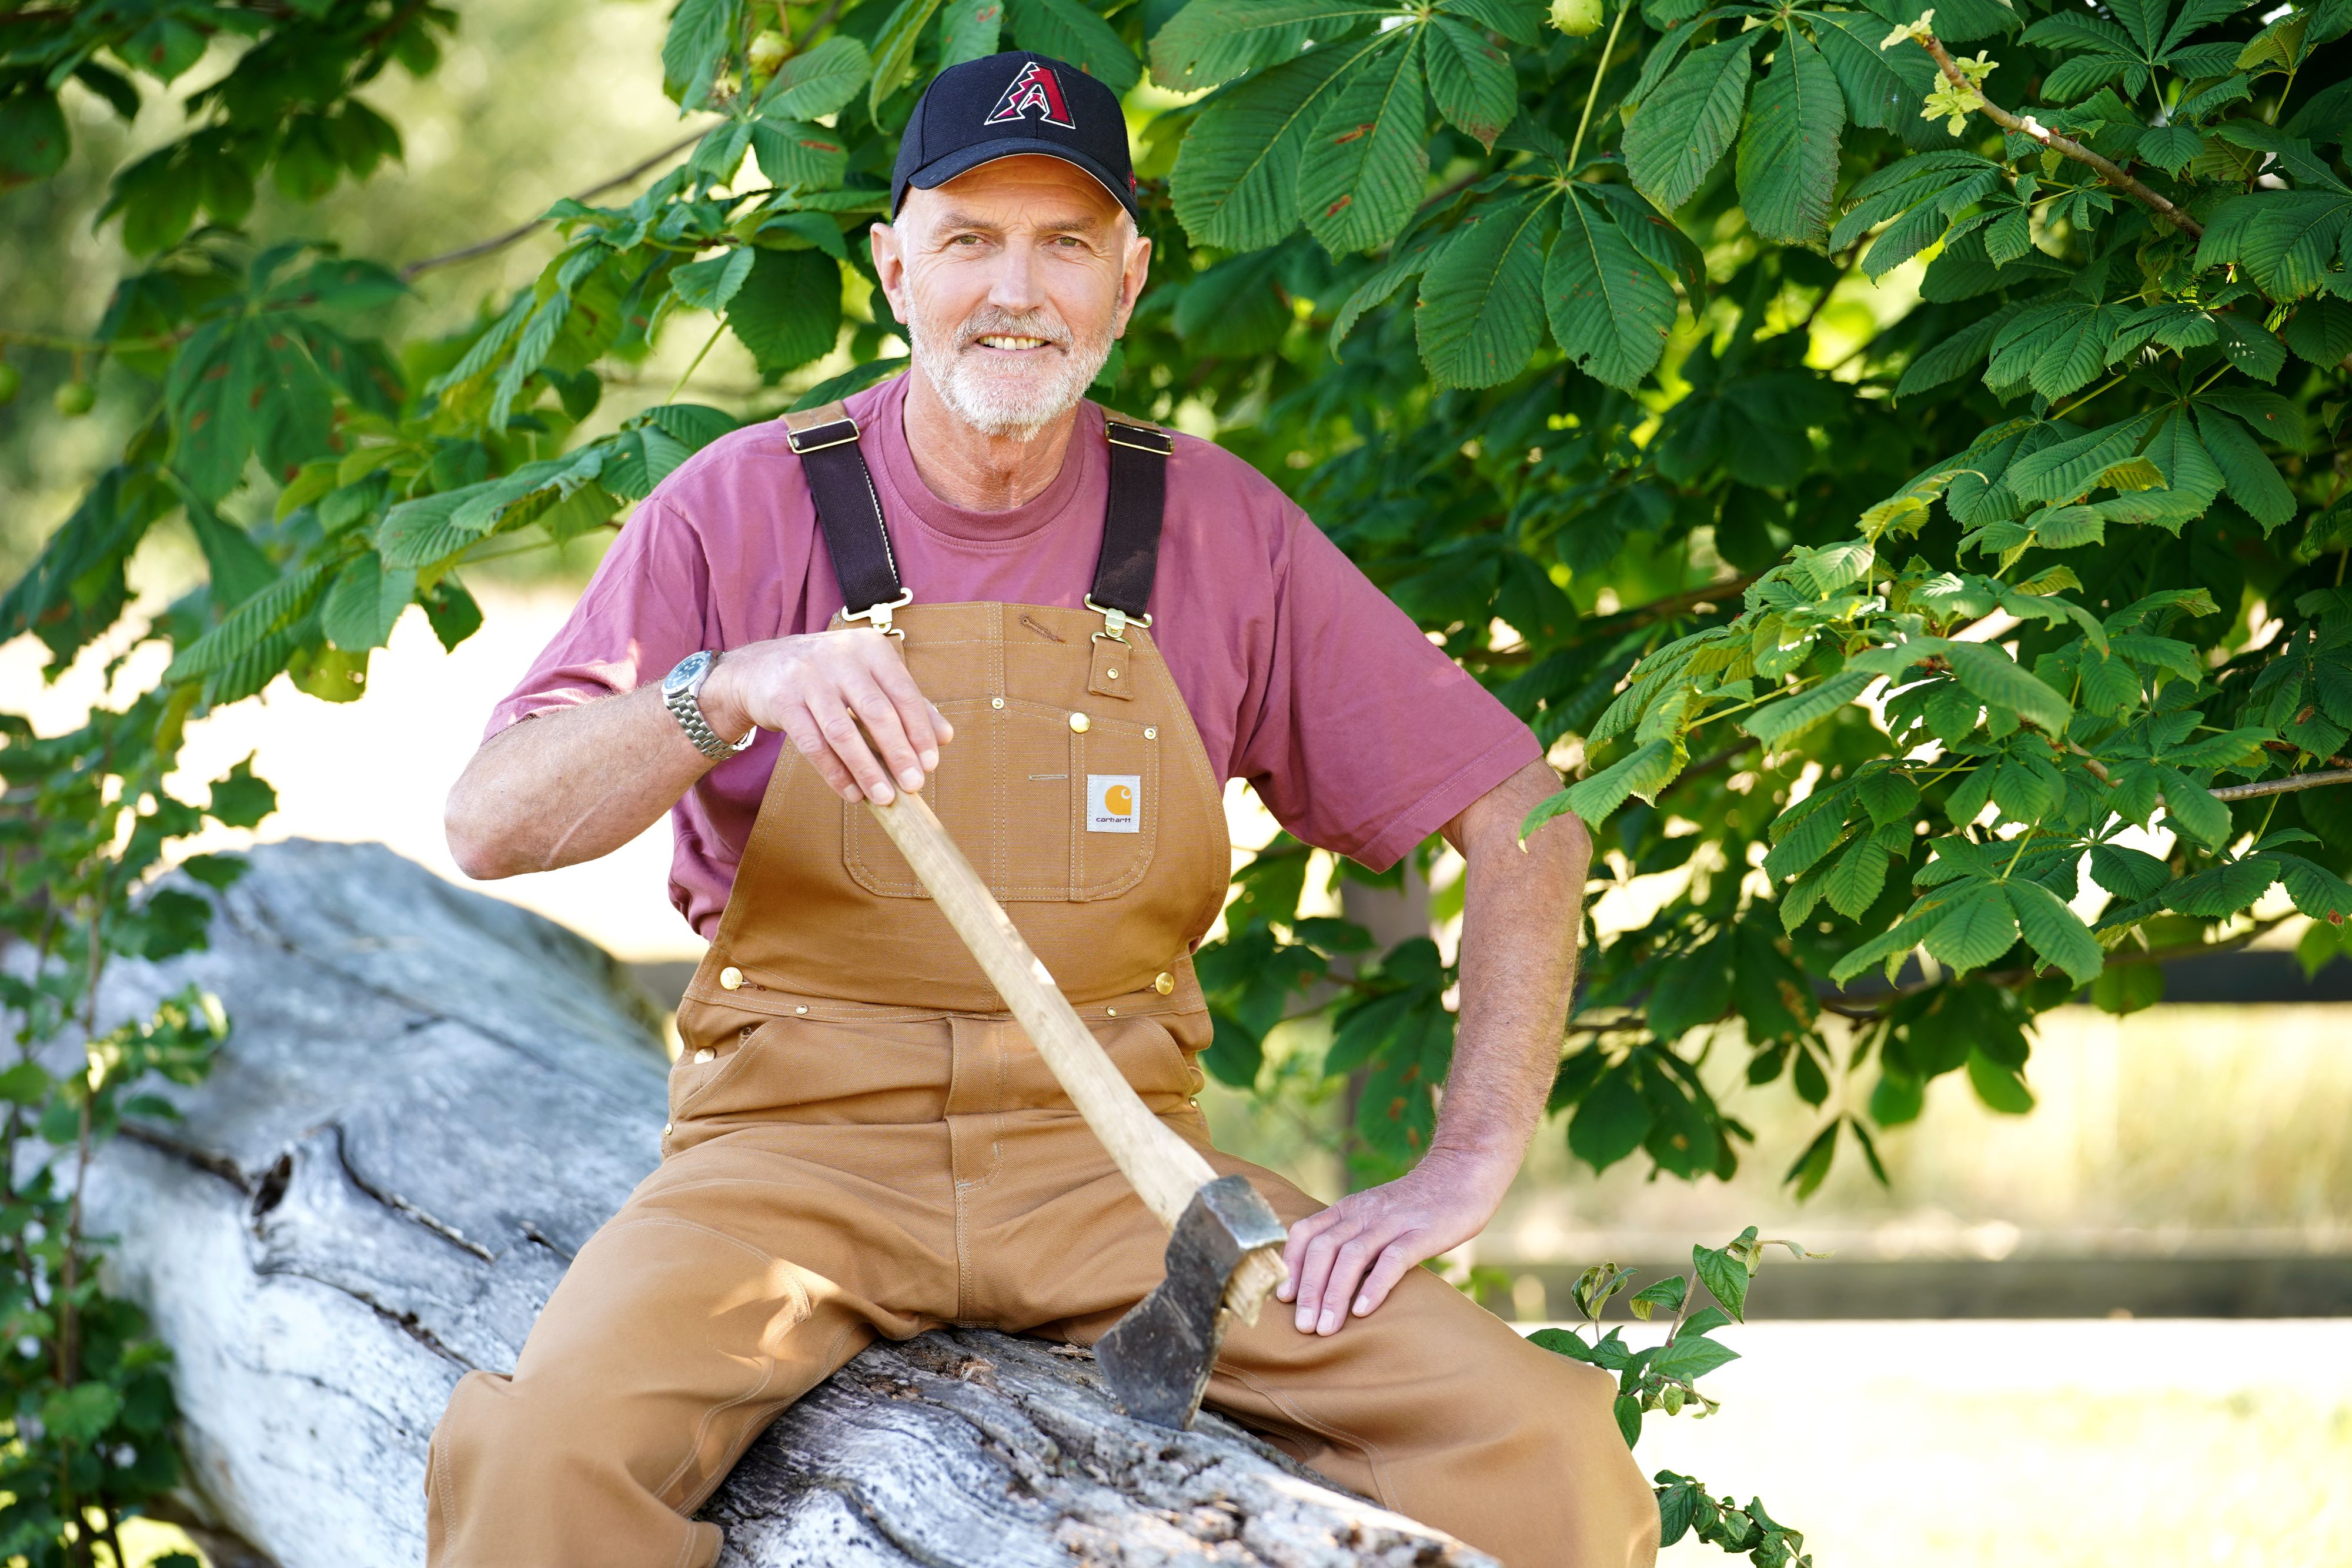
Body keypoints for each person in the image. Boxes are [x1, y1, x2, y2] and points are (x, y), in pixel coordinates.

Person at [429, 49, 1658, 1568]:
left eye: (1065, 242)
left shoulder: (1219, 526)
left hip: (1122, 1175)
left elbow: (1528, 813)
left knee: (1542, 1442)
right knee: (539, 1470)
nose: (1015, 290)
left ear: (1127, 280)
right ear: (895, 268)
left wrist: (1466, 1163)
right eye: (969, 239)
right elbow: (491, 822)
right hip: (789, 1161)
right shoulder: (738, 502)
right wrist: (730, 686)